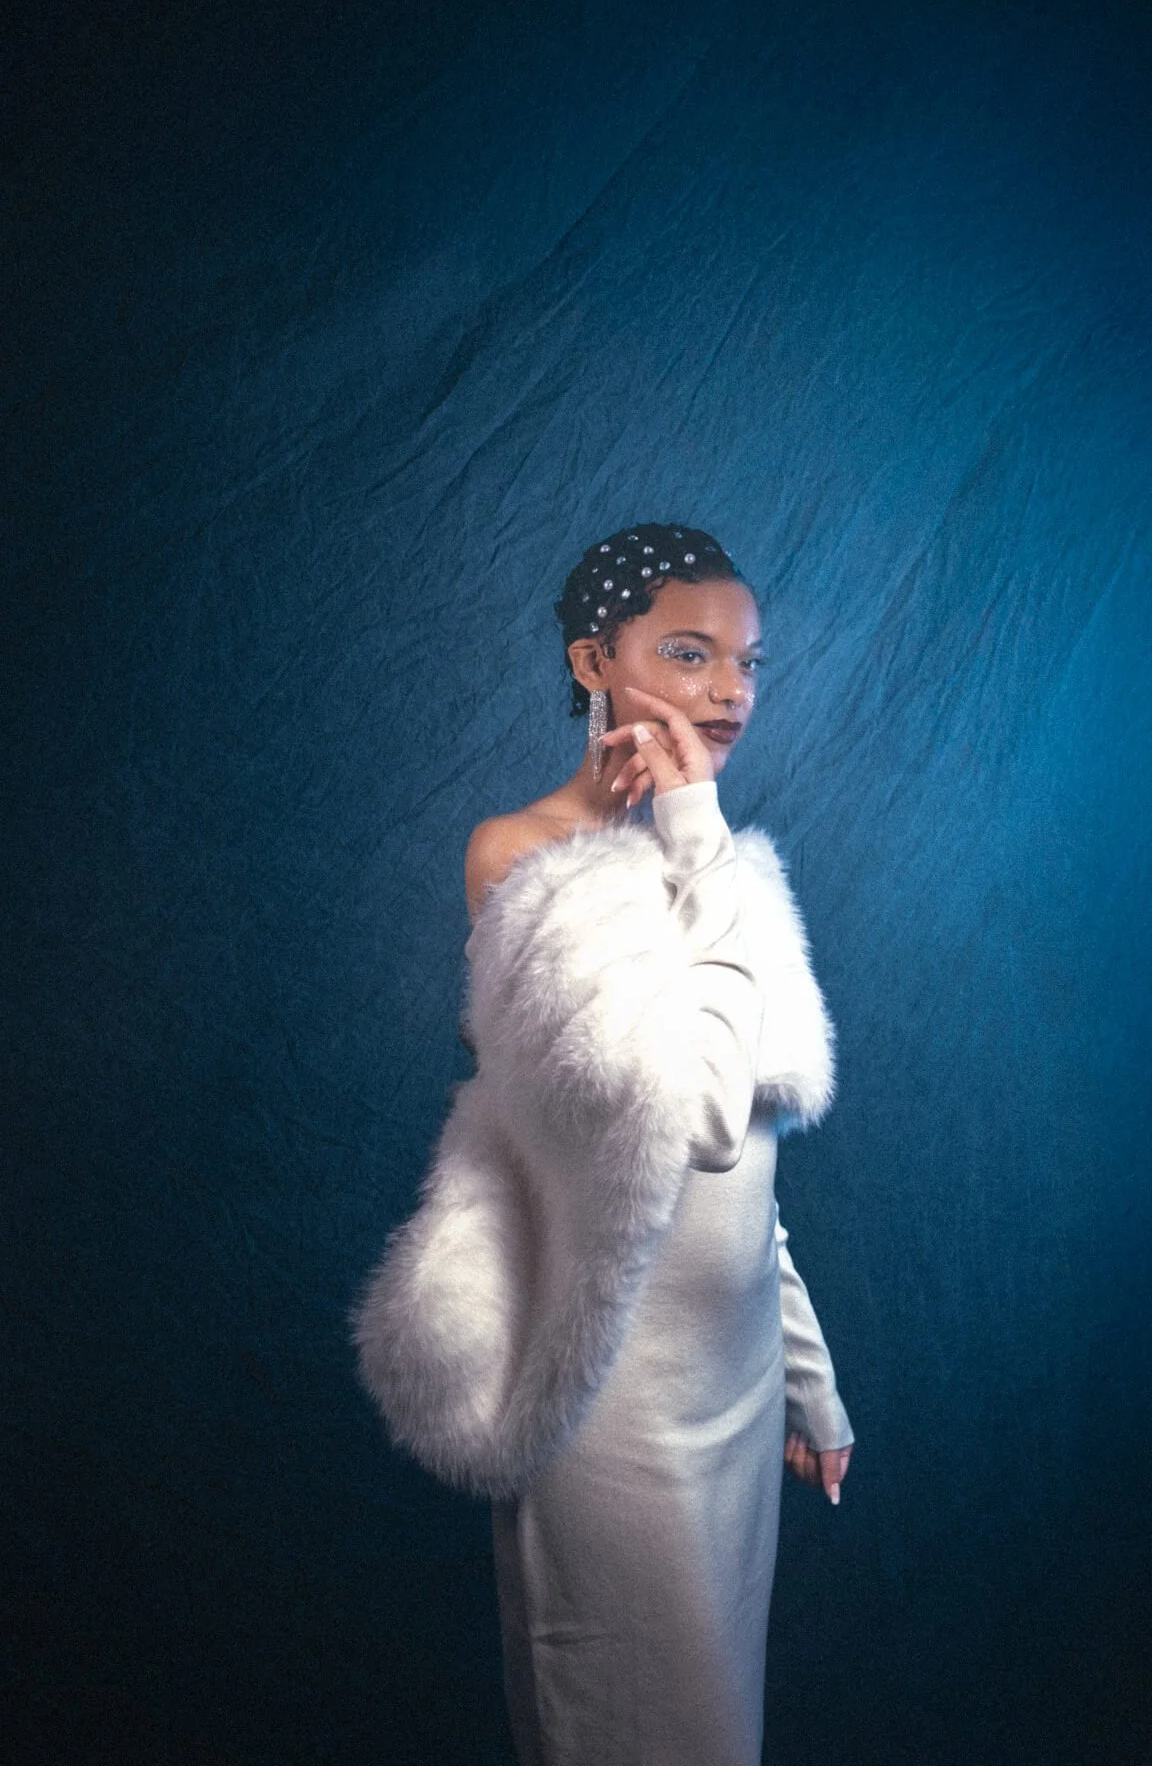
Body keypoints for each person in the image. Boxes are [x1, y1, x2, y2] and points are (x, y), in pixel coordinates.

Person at [355, 523, 854, 1766]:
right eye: (689, 653)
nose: (730, 689)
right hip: (616, 1389)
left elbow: (756, 1169)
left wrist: (810, 1377)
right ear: (595, 659)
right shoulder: (520, 855)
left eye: (748, 660)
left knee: (717, 1723)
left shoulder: (730, 868)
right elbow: (691, 1117)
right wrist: (693, 827)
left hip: (734, 1384)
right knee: (630, 1724)